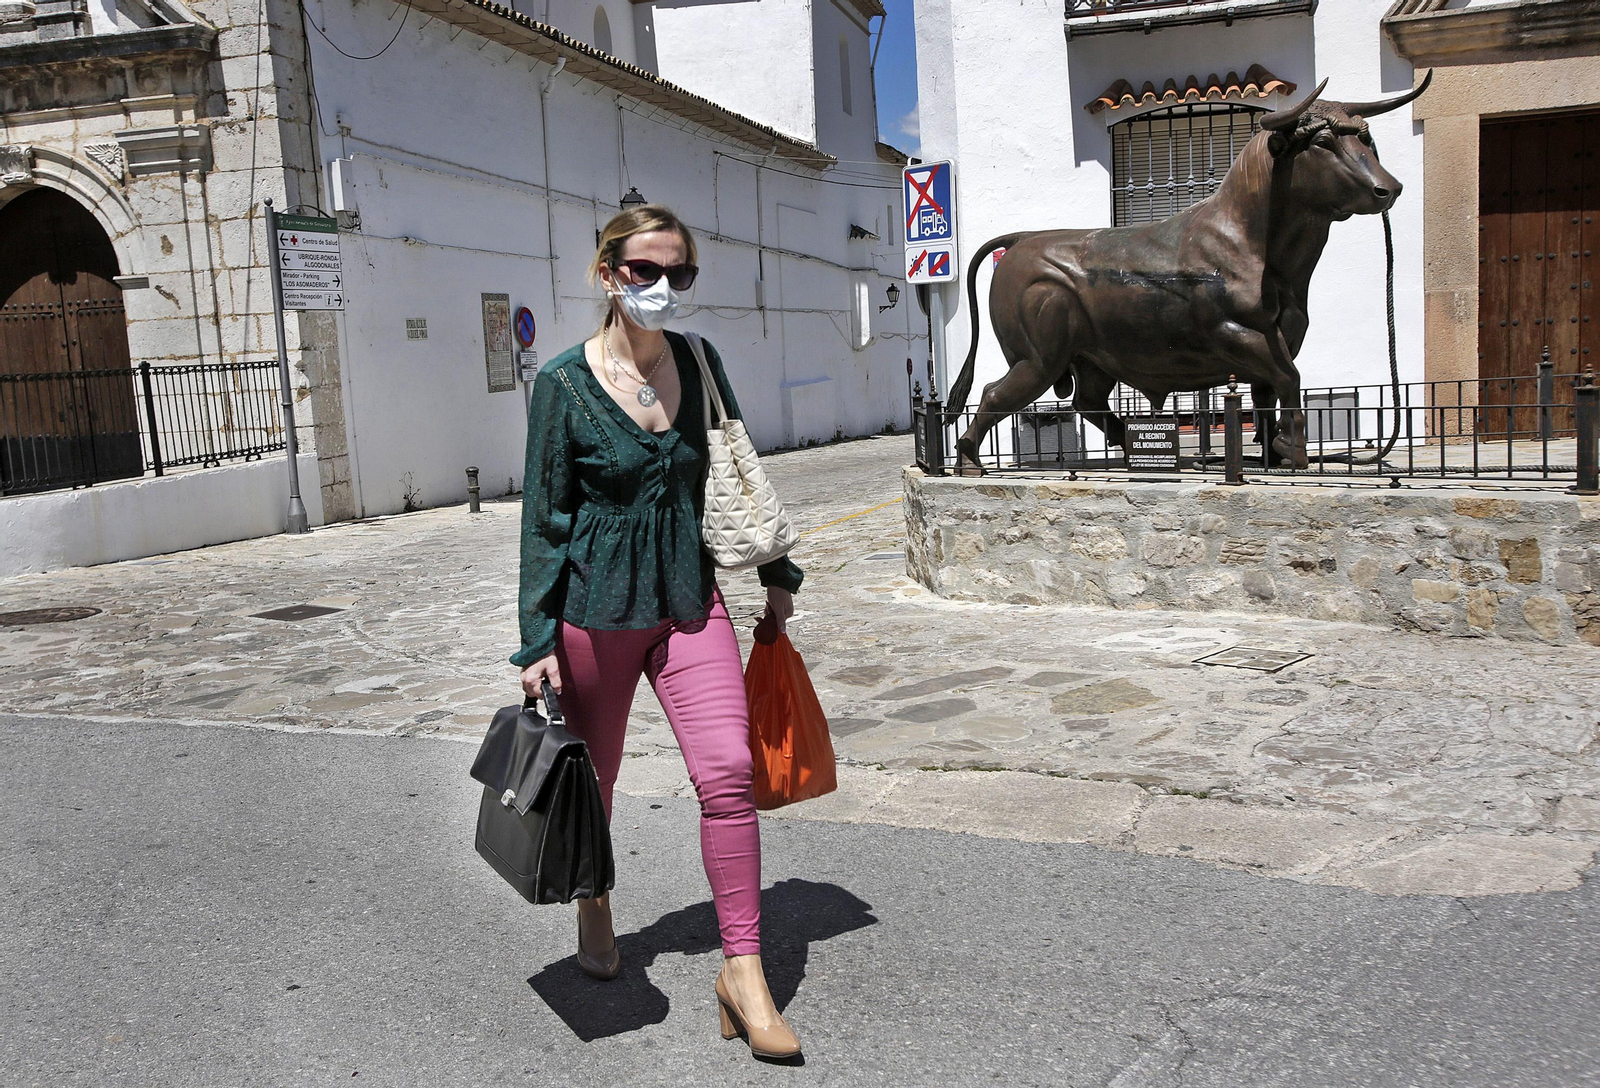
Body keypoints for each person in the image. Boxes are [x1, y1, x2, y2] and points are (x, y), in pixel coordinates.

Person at [510, 205, 805, 1060]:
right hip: (595, 612)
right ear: (609, 273)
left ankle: (742, 973)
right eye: (646, 270)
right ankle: (594, 903)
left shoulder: (701, 364)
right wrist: (535, 642)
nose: (663, 287)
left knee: (729, 771)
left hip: (688, 597)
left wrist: (777, 578)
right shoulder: (564, 385)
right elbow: (544, 519)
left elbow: (741, 466)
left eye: (679, 272)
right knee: (593, 783)